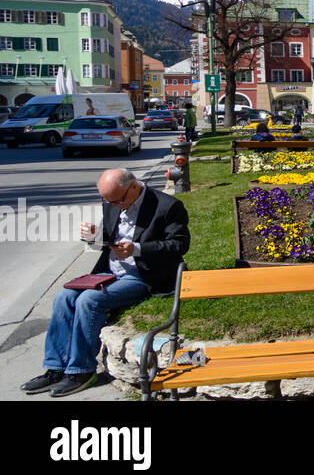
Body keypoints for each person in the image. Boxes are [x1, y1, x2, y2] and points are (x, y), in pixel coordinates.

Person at [21, 169, 190, 397]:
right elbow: (109, 238)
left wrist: (136, 249)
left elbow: (179, 245)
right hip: (109, 271)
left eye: (118, 200)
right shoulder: (113, 200)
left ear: (133, 187)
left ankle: (81, 370)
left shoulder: (167, 206)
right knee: (64, 296)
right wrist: (94, 236)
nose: (114, 205)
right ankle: (55, 368)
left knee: (89, 300)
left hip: (143, 275)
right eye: (107, 200)